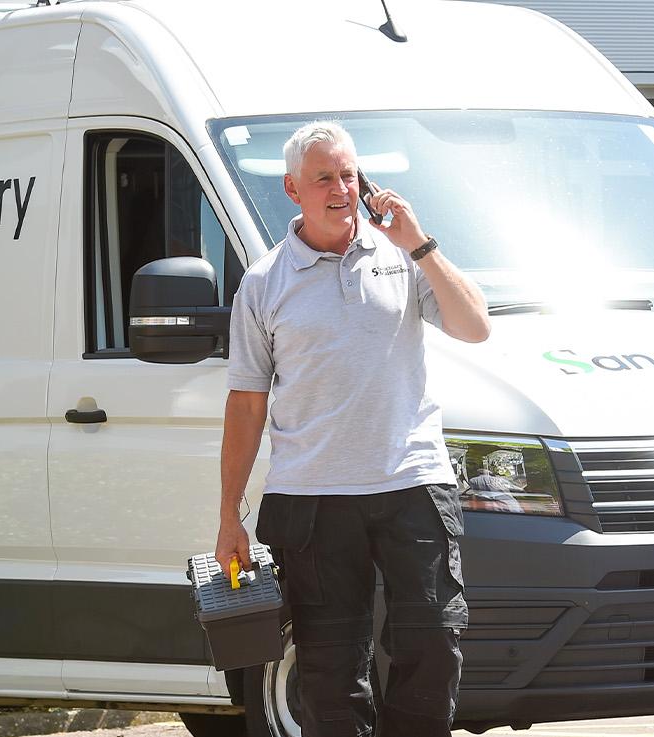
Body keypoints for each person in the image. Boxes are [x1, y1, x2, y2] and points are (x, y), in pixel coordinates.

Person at [214, 120, 490, 737]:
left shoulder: (403, 256)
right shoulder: (264, 283)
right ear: (293, 189)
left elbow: (475, 326)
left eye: (348, 174)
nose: (341, 188)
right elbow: (246, 403)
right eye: (324, 178)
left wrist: (420, 243)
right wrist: (230, 514)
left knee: (435, 647)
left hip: (413, 485)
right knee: (330, 673)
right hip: (312, 498)